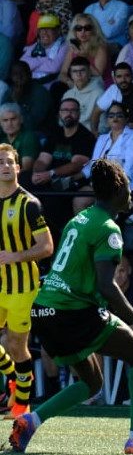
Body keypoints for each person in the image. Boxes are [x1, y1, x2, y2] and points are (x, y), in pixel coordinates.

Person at [7, 158, 133, 455]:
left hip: (44, 310)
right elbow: (107, 287)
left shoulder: (80, 218)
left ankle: (30, 422)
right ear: (118, 189)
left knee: (92, 382)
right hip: (71, 313)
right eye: (128, 186)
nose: (131, 192)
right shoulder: (108, 229)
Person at [0, 143, 52, 420]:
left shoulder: (29, 204)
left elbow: (47, 247)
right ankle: (14, 377)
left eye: (10, 162)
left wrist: (15, 256)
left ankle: (21, 404)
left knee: (16, 345)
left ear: (18, 168)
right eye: (1, 162)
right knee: (10, 348)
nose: (6, 166)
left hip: (22, 286)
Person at [72, 102, 133, 214]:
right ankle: (86, 226)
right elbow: (93, 164)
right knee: (79, 200)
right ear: (107, 120)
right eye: (111, 115)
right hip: (99, 184)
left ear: (126, 119)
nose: (115, 118)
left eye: (119, 115)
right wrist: (75, 176)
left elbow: (131, 169)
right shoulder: (102, 138)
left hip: (124, 185)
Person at [91, 62, 133, 134]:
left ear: (132, 76)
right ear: (114, 79)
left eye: (127, 76)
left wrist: (113, 137)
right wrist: (94, 133)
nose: (123, 80)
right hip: (114, 132)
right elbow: (96, 112)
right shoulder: (113, 89)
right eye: (119, 76)